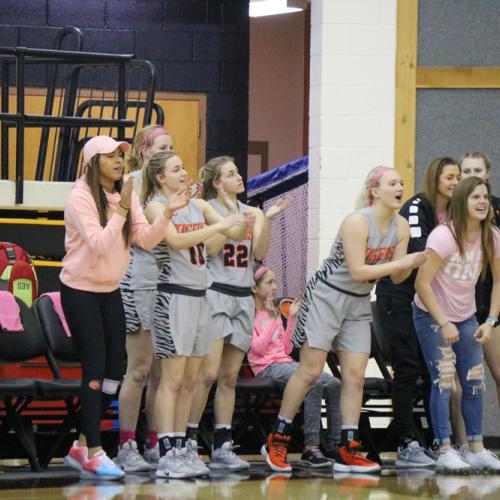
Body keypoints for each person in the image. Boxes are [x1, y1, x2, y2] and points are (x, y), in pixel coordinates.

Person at [262, 166, 427, 473]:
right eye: (392, 182)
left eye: (401, 182)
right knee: (310, 372)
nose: (400, 186)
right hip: (327, 296)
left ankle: (347, 447)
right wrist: (402, 261)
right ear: (375, 191)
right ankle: (278, 437)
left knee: (356, 376)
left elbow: (397, 273)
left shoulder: (401, 226)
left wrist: (411, 264)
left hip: (359, 301)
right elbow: (358, 271)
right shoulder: (356, 221)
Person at [61, 136, 188, 480]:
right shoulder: (80, 197)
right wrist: (121, 210)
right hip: (80, 291)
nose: (120, 160)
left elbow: (145, 239)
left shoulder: (124, 196)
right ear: (93, 162)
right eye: (111, 156)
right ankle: (94, 452)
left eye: (121, 155)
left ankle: (83, 442)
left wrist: (169, 213)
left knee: (114, 375)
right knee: (95, 370)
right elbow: (101, 244)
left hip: (111, 290)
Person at [142, 152, 255, 479]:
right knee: (172, 379)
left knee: (190, 380)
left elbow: (233, 236)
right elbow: (176, 242)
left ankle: (180, 448)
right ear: (161, 177)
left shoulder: (198, 205)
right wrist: (220, 225)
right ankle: (164, 454)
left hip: (200, 297)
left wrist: (240, 217)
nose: (183, 172)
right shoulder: (155, 205)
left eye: (183, 166)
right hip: (172, 297)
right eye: (176, 168)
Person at [185, 156, 290, 471]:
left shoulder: (253, 211)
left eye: (238, 172)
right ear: (218, 183)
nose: (239, 176)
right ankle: (188, 441)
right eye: (231, 174)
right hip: (216, 293)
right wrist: (232, 224)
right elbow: (213, 249)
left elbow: (259, 254)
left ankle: (222, 444)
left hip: (243, 296)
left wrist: (266, 220)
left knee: (229, 377)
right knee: (207, 374)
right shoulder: (208, 209)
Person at [375, 157, 460, 467]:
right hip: (397, 294)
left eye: (458, 177)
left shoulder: (453, 214)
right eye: (449, 176)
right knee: (408, 367)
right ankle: (405, 443)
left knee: (430, 371)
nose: (454, 182)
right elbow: (421, 251)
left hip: (423, 298)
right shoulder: (417, 206)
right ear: (435, 177)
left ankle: (438, 442)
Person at [413, 176, 500, 472]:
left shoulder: (492, 236)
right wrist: (442, 322)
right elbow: (422, 284)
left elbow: (499, 280)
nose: (482, 202)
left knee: (475, 381)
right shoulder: (443, 236)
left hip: (466, 317)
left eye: (485, 197)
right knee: (445, 380)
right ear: (462, 201)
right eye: (476, 197)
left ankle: (475, 448)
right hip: (431, 315)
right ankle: (445, 448)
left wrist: (490, 320)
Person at [115, 126, 175, 472]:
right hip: (139, 279)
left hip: (168, 282)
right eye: (162, 147)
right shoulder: (134, 183)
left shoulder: (170, 185)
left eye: (172, 147)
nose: (168, 152)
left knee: (159, 371)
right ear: (145, 149)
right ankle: (125, 445)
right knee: (137, 369)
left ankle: (154, 442)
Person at [248, 265, 341, 468]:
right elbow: (258, 349)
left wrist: (291, 318)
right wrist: (273, 320)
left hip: (285, 363)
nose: (275, 287)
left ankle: (335, 445)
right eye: (269, 282)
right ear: (255, 289)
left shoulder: (273, 313)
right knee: (311, 383)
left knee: (334, 384)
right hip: (267, 367)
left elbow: (287, 347)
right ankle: (311, 447)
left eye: (275, 282)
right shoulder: (249, 314)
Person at [460, 152, 500, 407]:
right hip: (460, 304)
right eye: (467, 172)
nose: (473, 176)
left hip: (492, 302)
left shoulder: (495, 208)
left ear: (488, 175)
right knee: (462, 380)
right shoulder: (449, 214)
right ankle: (462, 443)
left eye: (478, 171)